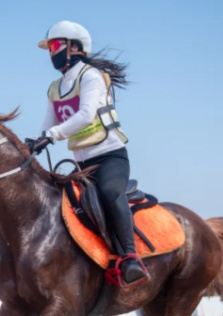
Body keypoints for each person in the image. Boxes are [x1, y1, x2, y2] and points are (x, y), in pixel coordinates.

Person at [27, 21, 148, 288]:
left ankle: (130, 257)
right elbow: (49, 123)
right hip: (82, 164)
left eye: (55, 46)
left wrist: (52, 136)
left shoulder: (91, 76)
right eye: (49, 49)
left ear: (74, 48)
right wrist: (36, 142)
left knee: (108, 193)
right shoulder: (54, 88)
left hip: (110, 157)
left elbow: (85, 115)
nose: (51, 53)